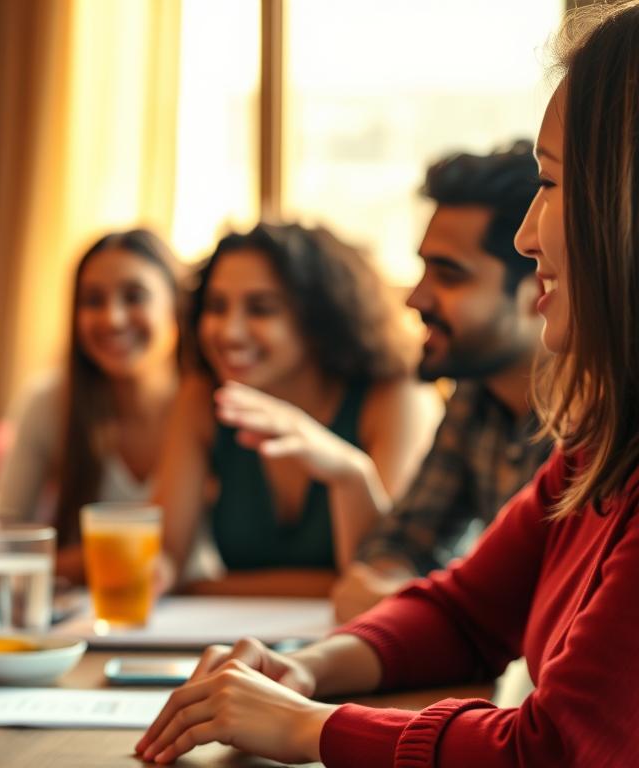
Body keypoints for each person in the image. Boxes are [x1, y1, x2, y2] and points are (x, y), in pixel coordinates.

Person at [137, 3, 639, 764]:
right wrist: (302, 669)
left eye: (552, 184)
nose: (527, 233)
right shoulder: (603, 443)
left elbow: (551, 749)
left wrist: (305, 726)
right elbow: (465, 611)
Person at [331, 143, 553, 622]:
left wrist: (405, 607)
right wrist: (390, 584)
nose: (416, 297)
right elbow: (404, 543)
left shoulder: (598, 416)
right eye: (422, 268)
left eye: (449, 276)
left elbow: (541, 609)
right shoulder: (477, 392)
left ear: (539, 283)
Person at [153, 223, 441, 583]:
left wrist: (213, 589)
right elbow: (163, 559)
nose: (229, 331)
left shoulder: (396, 396)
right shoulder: (201, 397)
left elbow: (379, 581)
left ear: (320, 319)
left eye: (261, 309)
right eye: (216, 306)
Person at [0, 229, 182, 583]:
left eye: (134, 296)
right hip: (90, 615)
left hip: (206, 612)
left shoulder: (207, 408)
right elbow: (2, 541)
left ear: (177, 306)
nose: (113, 318)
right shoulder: (47, 402)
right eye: (93, 300)